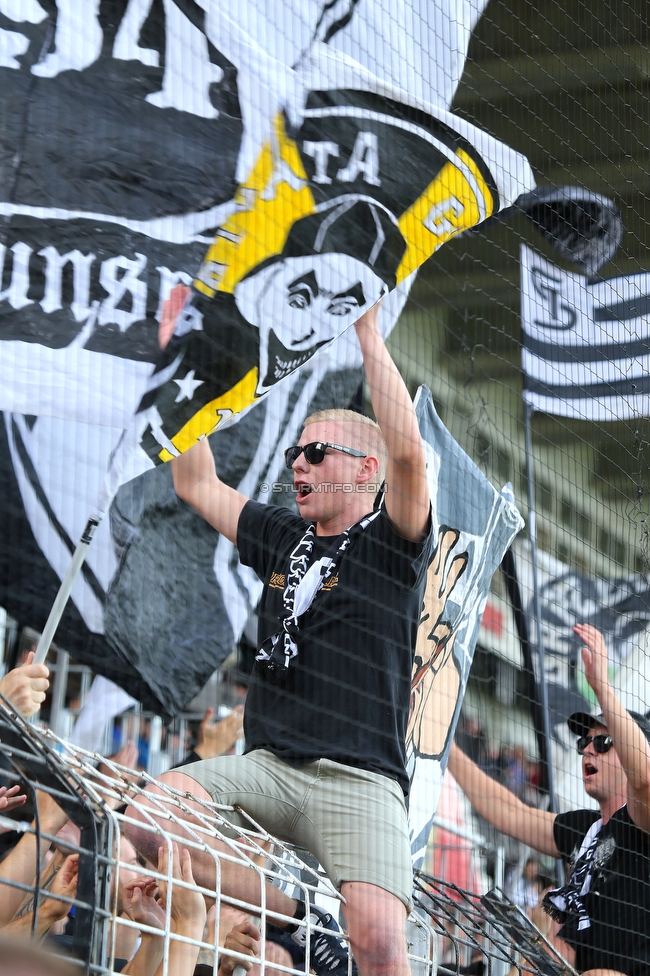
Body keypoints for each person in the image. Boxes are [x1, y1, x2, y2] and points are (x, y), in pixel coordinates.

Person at [127, 299, 433, 976]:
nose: (297, 464)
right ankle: (293, 911)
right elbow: (195, 479)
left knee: (381, 944)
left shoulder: (391, 545)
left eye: (316, 453)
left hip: (360, 779)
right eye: (295, 452)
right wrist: (180, 355)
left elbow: (410, 460)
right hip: (267, 767)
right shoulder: (280, 534)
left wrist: (368, 337)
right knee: (145, 822)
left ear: (363, 470)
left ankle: (314, 912)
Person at [448, 622, 650, 976]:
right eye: (583, 743)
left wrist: (600, 685)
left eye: (603, 743)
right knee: (535, 952)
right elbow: (507, 812)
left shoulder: (642, 820)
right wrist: (443, 746)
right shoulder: (586, 830)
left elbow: (645, 779)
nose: (588, 749)